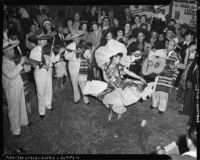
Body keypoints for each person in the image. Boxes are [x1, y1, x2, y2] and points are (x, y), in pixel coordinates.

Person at [101, 52, 146, 121]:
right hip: (111, 84)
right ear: (114, 57)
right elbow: (105, 78)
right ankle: (110, 112)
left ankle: (120, 111)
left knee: (122, 99)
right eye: (119, 58)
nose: (120, 60)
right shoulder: (105, 65)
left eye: (120, 59)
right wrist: (111, 83)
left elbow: (129, 72)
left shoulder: (120, 66)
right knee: (110, 100)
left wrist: (139, 78)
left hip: (120, 84)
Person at [29, 32, 61, 119]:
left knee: (49, 88)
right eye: (42, 40)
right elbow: (33, 64)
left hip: (48, 71)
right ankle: (41, 110)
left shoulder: (48, 49)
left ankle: (48, 104)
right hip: (40, 73)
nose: (44, 41)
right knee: (41, 91)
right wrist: (43, 65)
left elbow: (53, 60)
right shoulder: (34, 50)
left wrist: (59, 53)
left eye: (45, 40)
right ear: (38, 41)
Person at [2, 40, 29, 137]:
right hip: (11, 88)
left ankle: (24, 122)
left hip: (18, 85)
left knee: (22, 104)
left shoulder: (11, 59)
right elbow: (11, 75)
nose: (13, 51)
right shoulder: (3, 62)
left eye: (13, 49)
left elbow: (20, 70)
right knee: (13, 109)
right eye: (11, 50)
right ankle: (15, 130)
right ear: (5, 52)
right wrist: (21, 63)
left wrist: (26, 65)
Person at [151, 38, 181, 114]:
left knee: (163, 92)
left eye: (171, 45)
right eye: (168, 44)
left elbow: (176, 70)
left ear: (174, 47)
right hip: (158, 75)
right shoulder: (162, 52)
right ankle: (154, 104)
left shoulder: (176, 57)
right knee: (155, 90)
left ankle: (161, 108)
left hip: (167, 77)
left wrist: (173, 81)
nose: (168, 46)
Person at [63, 31, 91, 104]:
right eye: (75, 37)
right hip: (72, 65)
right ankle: (76, 98)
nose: (77, 38)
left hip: (82, 65)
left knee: (83, 82)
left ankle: (85, 98)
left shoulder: (84, 44)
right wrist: (75, 51)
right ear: (72, 39)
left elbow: (88, 56)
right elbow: (66, 57)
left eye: (78, 36)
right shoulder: (69, 46)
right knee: (74, 82)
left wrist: (86, 52)